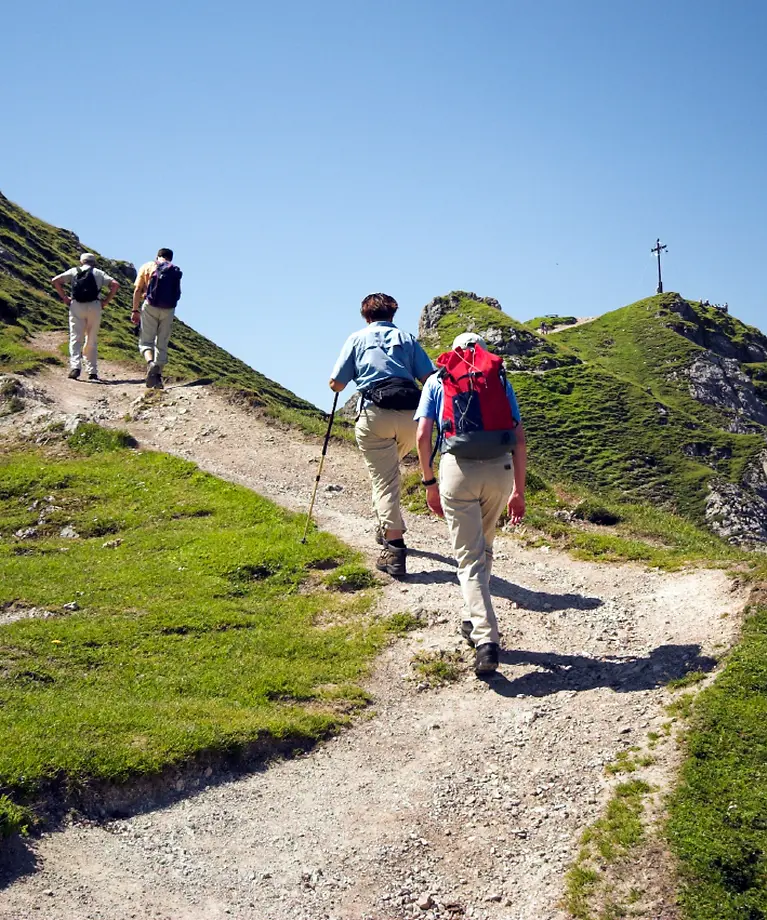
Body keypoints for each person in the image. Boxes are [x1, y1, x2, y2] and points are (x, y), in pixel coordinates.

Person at [414, 332, 527, 676]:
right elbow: (519, 438)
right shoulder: (499, 379)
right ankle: (471, 615)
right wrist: (518, 492)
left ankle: (486, 639)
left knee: (468, 559)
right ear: (480, 351)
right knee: (484, 548)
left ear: (454, 350)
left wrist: (428, 482)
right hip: (499, 470)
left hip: (457, 470)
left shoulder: (438, 379)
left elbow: (422, 436)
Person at [329, 293, 434, 577]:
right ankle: (386, 524)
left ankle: (395, 548)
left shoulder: (356, 339)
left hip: (376, 415)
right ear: (393, 314)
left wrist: (338, 384)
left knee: (385, 481)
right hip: (412, 417)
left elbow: (337, 383)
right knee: (387, 476)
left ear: (366, 316)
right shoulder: (408, 339)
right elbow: (429, 378)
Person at [51, 253, 119, 381]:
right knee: (91, 338)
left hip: (76, 305)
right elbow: (115, 284)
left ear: (81, 261)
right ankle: (92, 371)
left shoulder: (74, 271)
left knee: (76, 337)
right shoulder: (99, 273)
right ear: (94, 262)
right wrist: (105, 301)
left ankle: (75, 366)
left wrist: (65, 298)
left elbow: (55, 281)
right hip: (94, 306)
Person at [132, 248, 183, 389]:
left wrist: (135, 310)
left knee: (146, 341)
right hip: (169, 309)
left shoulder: (148, 266)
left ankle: (150, 363)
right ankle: (158, 377)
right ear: (170, 258)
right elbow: (178, 293)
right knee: (162, 342)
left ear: (158, 256)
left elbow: (137, 289)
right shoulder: (174, 270)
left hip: (150, 306)